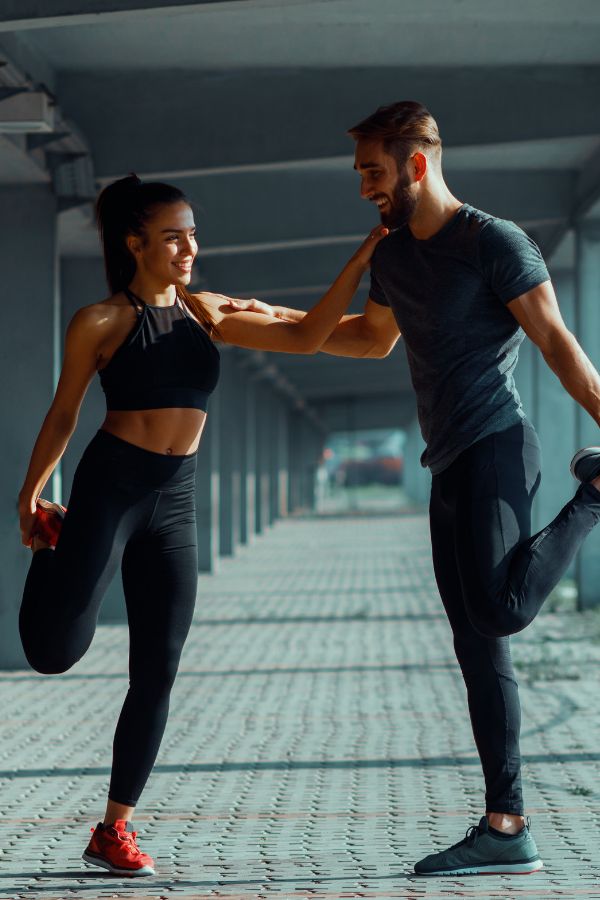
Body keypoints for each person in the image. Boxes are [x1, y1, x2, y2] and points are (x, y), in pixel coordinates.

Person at [226, 101, 600, 877]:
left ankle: (595, 493)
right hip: (445, 463)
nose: (364, 186)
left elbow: (557, 343)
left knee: (500, 609)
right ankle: (507, 826)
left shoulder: (493, 242)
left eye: (372, 171)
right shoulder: (394, 253)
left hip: (498, 445)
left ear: (417, 164)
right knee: (476, 646)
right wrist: (277, 317)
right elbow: (371, 339)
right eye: (361, 172)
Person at [18, 174, 387, 878]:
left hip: (176, 501)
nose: (189, 246)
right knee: (54, 653)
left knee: (157, 669)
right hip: (111, 488)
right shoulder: (101, 321)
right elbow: (64, 411)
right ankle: (51, 552)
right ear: (135, 244)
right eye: (172, 235)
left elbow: (309, 335)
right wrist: (30, 494)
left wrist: (364, 262)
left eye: (192, 232)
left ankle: (113, 830)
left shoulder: (208, 311)